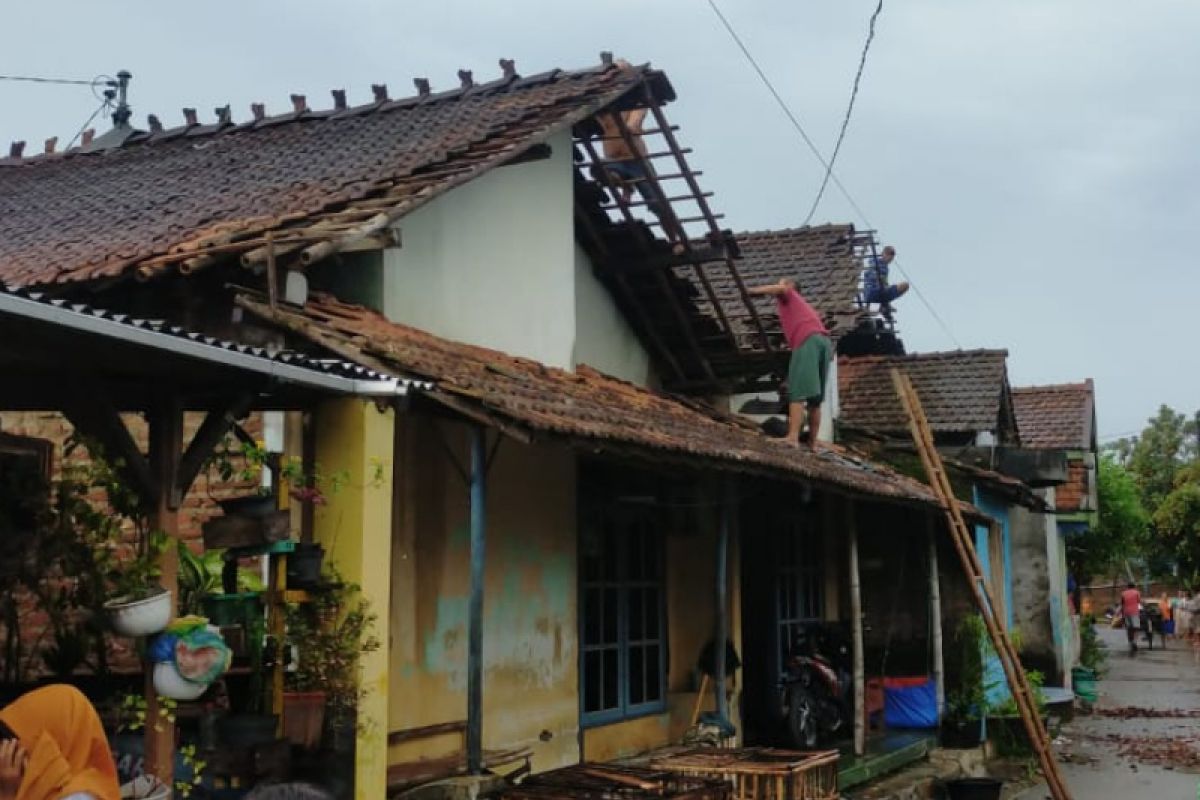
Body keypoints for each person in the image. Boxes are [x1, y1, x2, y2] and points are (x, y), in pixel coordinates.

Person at [597, 61, 683, 253]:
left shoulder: (636, 101)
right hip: (614, 159)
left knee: (657, 204)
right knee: (603, 171)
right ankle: (626, 187)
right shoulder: (604, 104)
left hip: (636, 160)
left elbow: (636, 121)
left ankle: (675, 240)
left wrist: (631, 126)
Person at [747, 278, 832, 447]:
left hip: (807, 340)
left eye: (782, 283)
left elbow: (781, 289)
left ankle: (792, 438)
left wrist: (753, 291)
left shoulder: (790, 295)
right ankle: (813, 444)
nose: (780, 286)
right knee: (815, 400)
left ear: (791, 287)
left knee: (797, 391)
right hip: (824, 343)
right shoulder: (802, 307)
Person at [0, 685, 120, 800]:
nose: (5, 757)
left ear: (54, 745)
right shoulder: (46, 790)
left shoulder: (78, 796)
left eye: (15, 746)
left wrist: (7, 795)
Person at [1120, 581, 1142, 655]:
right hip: (1134, 612)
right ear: (1134, 586)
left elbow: (1122, 604)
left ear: (1127, 586)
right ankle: (1134, 642)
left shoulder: (1123, 593)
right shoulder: (1137, 593)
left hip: (1126, 612)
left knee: (1129, 629)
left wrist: (1122, 614)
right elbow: (1139, 601)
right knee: (1136, 628)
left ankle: (1130, 643)